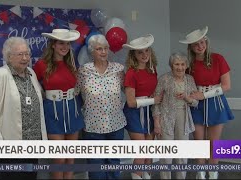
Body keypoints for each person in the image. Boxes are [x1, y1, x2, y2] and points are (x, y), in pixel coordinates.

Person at [0, 37, 47, 179]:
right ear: (9, 57)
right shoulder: (1, 76)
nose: (25, 58)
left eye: (27, 54)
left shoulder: (31, 73)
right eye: (20, 54)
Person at [179, 26, 234, 179]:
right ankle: (200, 173)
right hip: (197, 105)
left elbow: (226, 86)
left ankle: (212, 172)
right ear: (191, 47)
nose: (200, 46)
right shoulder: (188, 65)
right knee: (199, 143)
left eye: (202, 42)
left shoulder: (218, 59)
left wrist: (204, 95)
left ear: (206, 42)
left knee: (214, 144)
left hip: (216, 103)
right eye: (196, 44)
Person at [33, 29, 85, 179]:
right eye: (61, 43)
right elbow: (32, 85)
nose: (65, 46)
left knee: (70, 158)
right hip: (53, 112)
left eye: (67, 43)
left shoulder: (72, 63)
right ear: (53, 45)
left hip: (72, 109)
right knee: (59, 158)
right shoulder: (42, 65)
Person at [76, 34, 126, 179]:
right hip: (93, 126)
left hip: (116, 124)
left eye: (105, 48)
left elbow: (129, 90)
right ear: (92, 51)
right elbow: (75, 92)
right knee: (96, 168)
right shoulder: (84, 71)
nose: (103, 52)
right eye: (99, 49)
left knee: (113, 165)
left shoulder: (118, 70)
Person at [122, 34, 162, 179]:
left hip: (150, 112)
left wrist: (154, 102)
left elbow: (153, 94)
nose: (144, 55)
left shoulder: (153, 70)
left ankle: (146, 176)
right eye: (140, 52)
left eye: (147, 51)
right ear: (134, 54)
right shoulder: (131, 73)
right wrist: (154, 100)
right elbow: (131, 102)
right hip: (134, 114)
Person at [152, 53, 198, 179]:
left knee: (182, 154)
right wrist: (157, 123)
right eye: (176, 64)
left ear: (186, 65)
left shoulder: (190, 79)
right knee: (167, 155)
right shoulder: (164, 78)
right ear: (171, 65)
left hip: (183, 117)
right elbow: (156, 102)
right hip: (166, 117)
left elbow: (195, 102)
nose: (180, 67)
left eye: (182, 64)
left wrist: (186, 97)